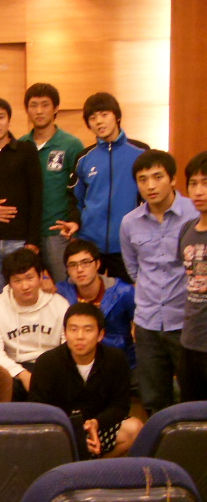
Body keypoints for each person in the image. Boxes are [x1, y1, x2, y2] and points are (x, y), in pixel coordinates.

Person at [120, 149, 198, 413]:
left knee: (193, 397)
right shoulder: (129, 223)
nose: (150, 186)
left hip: (187, 321)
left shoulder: (195, 214)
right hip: (148, 322)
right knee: (154, 399)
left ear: (173, 179)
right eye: (142, 180)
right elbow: (133, 269)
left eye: (157, 177)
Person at [30, 303, 142, 458]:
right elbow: (39, 411)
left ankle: (95, 469)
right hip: (60, 431)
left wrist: (96, 423)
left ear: (100, 335)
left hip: (98, 427)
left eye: (88, 330)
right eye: (73, 329)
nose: (80, 336)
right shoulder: (47, 362)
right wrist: (73, 436)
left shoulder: (115, 359)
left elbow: (120, 406)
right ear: (65, 333)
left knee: (134, 429)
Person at [59, 92, 149, 282]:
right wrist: (74, 222)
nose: (99, 121)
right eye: (92, 118)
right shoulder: (84, 158)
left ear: (117, 116)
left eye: (104, 114)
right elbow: (75, 199)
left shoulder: (140, 152)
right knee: (87, 296)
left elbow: (149, 198)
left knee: (126, 297)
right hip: (90, 246)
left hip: (127, 245)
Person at [0, 97, 43, 303]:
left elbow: (37, 196)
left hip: (19, 239)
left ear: (9, 121)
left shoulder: (26, 150)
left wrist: (33, 240)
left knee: (23, 296)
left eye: (1, 117)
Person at [19, 83, 85, 285]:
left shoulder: (71, 145)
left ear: (56, 108)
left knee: (66, 288)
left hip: (58, 233)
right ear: (27, 109)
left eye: (45, 104)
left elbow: (80, 190)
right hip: (26, 234)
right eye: (33, 105)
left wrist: (75, 224)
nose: (39, 111)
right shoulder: (21, 145)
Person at [0, 248, 70, 399]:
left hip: (52, 365)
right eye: (17, 281)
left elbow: (67, 344)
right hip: (13, 367)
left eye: (30, 278)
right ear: (9, 283)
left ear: (41, 276)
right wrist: (22, 374)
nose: (25, 286)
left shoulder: (60, 305)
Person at [55, 240, 136, 367]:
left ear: (97, 264)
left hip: (120, 363)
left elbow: (143, 327)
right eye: (73, 265)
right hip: (76, 363)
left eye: (85, 263)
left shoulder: (123, 292)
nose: (79, 269)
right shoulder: (61, 292)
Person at [178, 150, 207, 401]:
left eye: (205, 183)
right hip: (190, 340)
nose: (198, 191)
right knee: (190, 412)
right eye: (193, 184)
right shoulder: (187, 230)